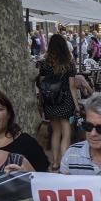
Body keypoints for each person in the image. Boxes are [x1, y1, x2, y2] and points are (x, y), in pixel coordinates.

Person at [37, 33, 78, 169]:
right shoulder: (69, 63)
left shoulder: (44, 63)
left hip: (50, 99)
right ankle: (64, 164)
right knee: (66, 133)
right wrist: (76, 105)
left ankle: (55, 162)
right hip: (65, 99)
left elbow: (41, 82)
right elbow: (72, 86)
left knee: (55, 132)